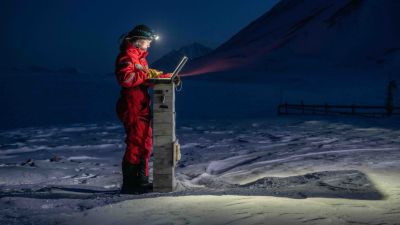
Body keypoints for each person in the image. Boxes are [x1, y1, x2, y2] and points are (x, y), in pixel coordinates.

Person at [115, 24, 180, 194]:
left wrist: (166, 77)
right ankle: (130, 184)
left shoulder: (140, 58)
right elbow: (126, 79)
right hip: (132, 105)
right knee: (135, 143)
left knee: (145, 142)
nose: (149, 44)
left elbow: (144, 75)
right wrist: (147, 74)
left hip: (141, 105)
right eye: (147, 41)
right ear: (138, 41)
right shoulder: (127, 56)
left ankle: (141, 181)